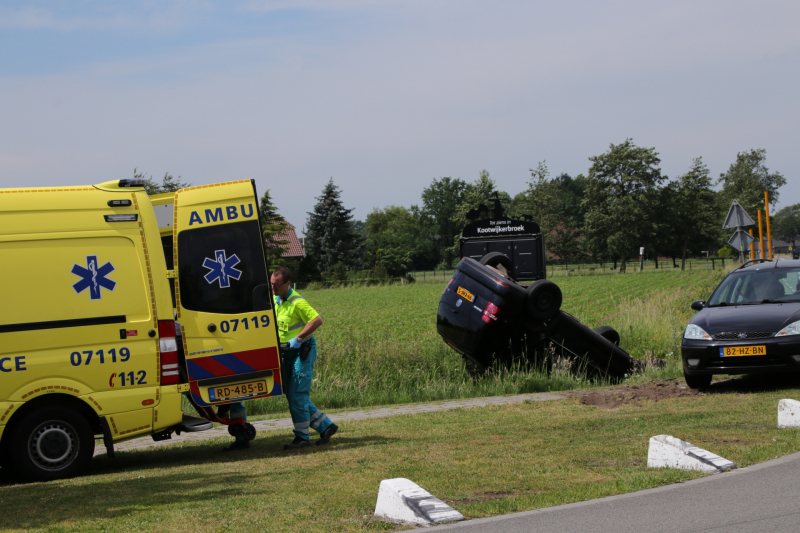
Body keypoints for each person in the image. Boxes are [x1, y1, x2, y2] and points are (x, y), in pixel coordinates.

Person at [271, 266, 338, 450]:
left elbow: (317, 320)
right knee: (292, 392)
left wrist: (298, 339)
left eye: (276, 285)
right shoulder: (277, 300)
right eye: (271, 284)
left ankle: (302, 438)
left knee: (297, 394)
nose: (273, 288)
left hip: (303, 350)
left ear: (288, 283)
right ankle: (326, 426)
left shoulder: (297, 302)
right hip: (288, 353)